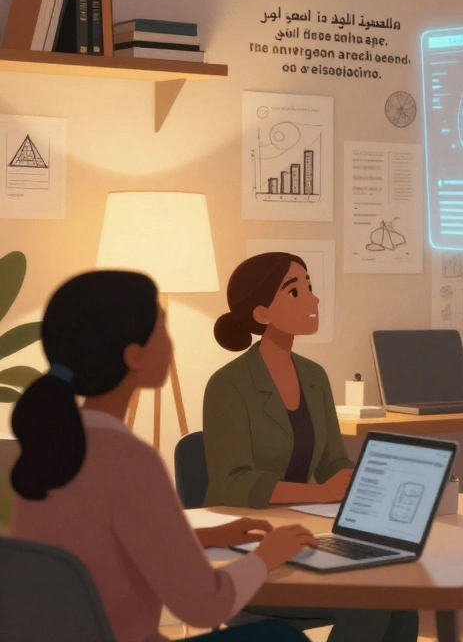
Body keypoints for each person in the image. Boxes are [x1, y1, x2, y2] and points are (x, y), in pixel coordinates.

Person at [10, 270, 315, 642]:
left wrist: (203, 537)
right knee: (282, 638)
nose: (171, 343)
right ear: (134, 355)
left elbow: (99, 547)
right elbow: (205, 605)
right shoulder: (130, 461)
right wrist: (268, 555)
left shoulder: (49, 446)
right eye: (163, 326)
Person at [202, 252, 418, 641]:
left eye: (310, 288)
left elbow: (334, 459)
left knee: (400, 592)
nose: (314, 300)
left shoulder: (314, 377)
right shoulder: (228, 384)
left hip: (309, 534)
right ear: (263, 313)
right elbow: (234, 481)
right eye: (296, 291)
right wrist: (319, 493)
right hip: (256, 550)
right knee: (376, 598)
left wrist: (359, 484)